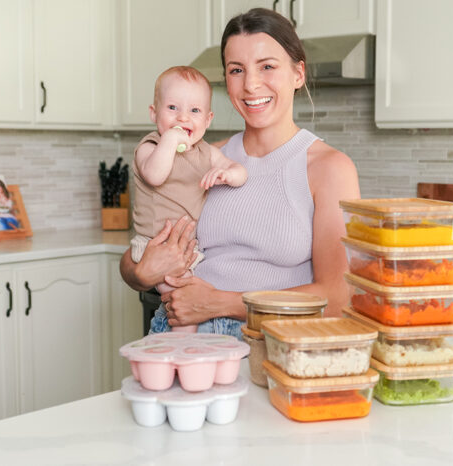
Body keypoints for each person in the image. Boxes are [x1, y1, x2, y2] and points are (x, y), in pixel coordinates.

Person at [120, 8, 360, 339]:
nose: (250, 84)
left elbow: (338, 297)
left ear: (298, 73)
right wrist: (141, 272)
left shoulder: (330, 168)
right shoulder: (202, 155)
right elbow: (141, 245)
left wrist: (222, 303)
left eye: (267, 66)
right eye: (236, 70)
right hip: (177, 333)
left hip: (271, 345)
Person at [130, 66, 248, 302]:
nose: (183, 118)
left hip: (188, 250)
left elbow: (238, 169)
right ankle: (184, 339)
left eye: (194, 110)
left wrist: (229, 176)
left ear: (207, 119)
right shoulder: (150, 147)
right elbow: (154, 175)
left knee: (196, 298)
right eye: (172, 108)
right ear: (154, 114)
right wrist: (171, 139)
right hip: (154, 247)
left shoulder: (206, 152)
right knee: (184, 301)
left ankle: (188, 338)